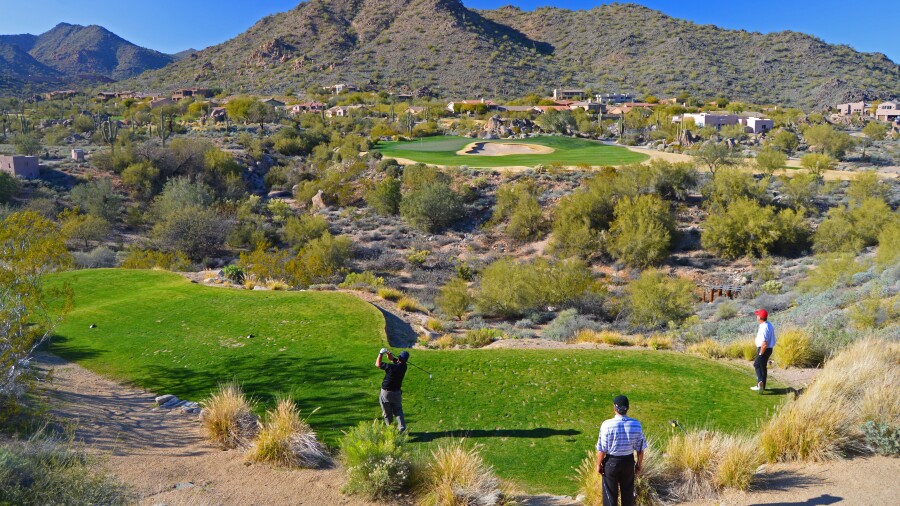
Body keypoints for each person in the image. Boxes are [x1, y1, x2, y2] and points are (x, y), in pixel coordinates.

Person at [596, 395, 647, 506]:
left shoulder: (607, 425)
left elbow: (602, 449)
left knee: (610, 496)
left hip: (611, 462)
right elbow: (640, 449)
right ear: (627, 408)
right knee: (628, 495)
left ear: (615, 408)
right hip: (628, 462)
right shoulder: (636, 424)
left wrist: (598, 464)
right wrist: (639, 464)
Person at [376, 348, 408, 432]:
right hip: (397, 393)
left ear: (399, 358)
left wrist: (381, 353)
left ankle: (391, 430)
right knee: (398, 410)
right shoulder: (404, 367)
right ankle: (402, 428)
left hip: (386, 393)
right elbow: (393, 360)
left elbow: (378, 364)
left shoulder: (391, 367)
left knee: (387, 412)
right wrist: (390, 356)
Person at [752, 309, 776, 393]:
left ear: (760, 317)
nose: (756, 316)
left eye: (757, 315)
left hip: (764, 349)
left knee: (756, 364)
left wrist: (760, 353)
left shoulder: (764, 328)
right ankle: (763, 386)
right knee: (762, 366)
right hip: (768, 349)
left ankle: (760, 383)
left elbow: (764, 344)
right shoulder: (768, 324)